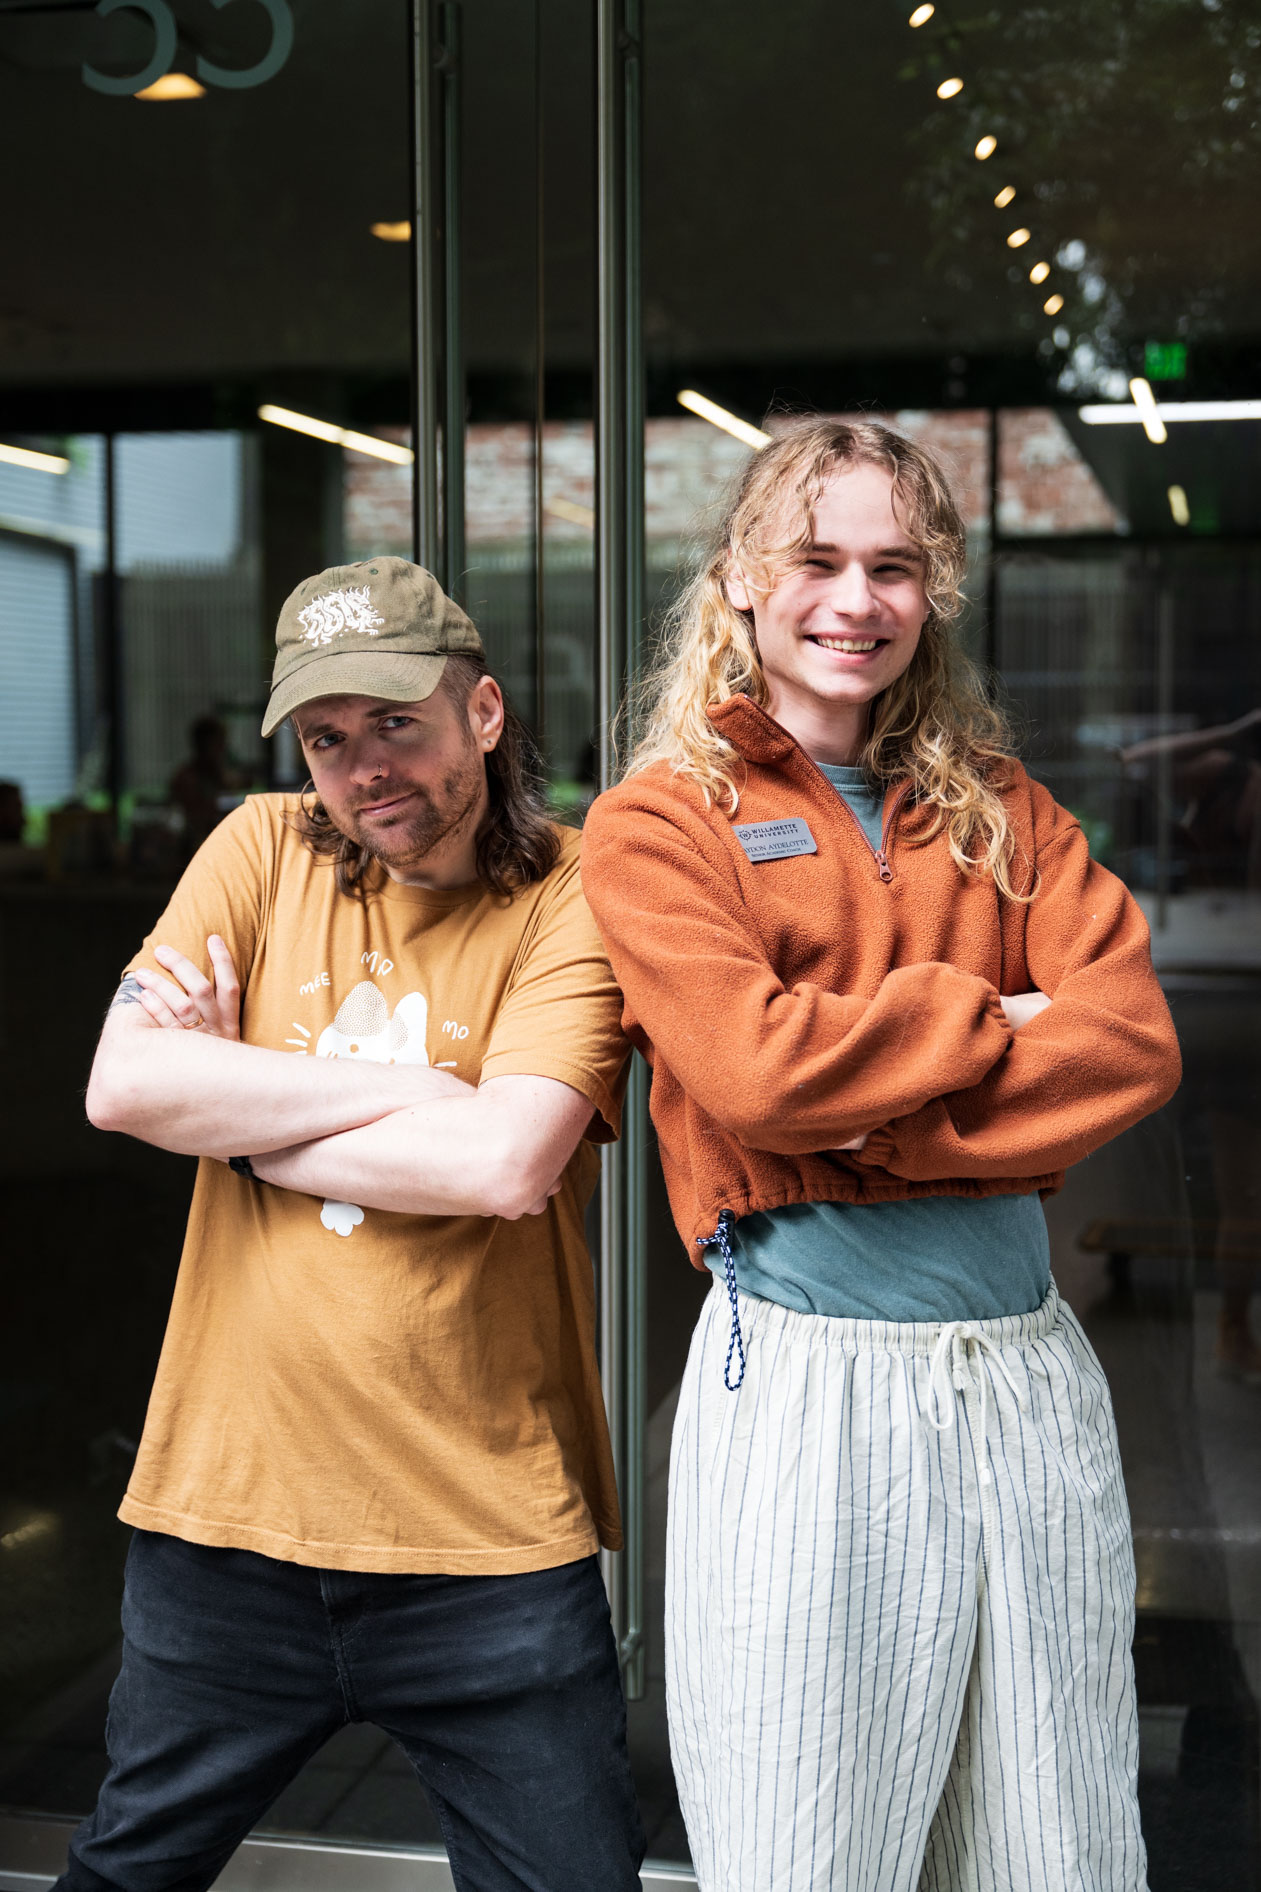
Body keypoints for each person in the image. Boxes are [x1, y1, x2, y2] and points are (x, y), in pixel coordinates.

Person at [581, 418, 1182, 1892]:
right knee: (809, 1845)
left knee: (1055, 1843)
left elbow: (1130, 1042)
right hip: (807, 1383)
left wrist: (852, 1095)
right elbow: (752, 1074)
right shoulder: (660, 828)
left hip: (1028, 1378)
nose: (855, 600)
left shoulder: (1004, 815)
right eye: (817, 559)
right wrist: (991, 1014)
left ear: (934, 595)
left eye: (892, 567)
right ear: (737, 577)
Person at [68, 557, 645, 1892]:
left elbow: (506, 1161)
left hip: (487, 1539)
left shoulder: (575, 887)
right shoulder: (260, 847)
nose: (362, 768)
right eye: (327, 739)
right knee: (126, 1873)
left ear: (485, 714)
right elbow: (123, 1084)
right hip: (227, 1522)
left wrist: (242, 1115)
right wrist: (403, 1095)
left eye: (397, 723)